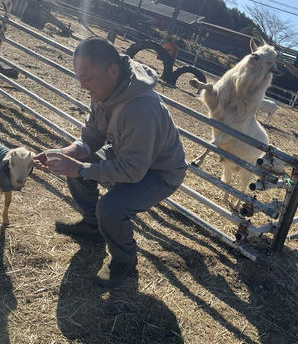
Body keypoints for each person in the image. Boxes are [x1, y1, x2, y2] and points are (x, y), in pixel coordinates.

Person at [34, 37, 187, 288]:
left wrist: (81, 168)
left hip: (159, 171)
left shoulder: (140, 108)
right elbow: (91, 137)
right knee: (78, 170)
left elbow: (133, 170)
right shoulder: (105, 89)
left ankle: (124, 261)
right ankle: (94, 226)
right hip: (126, 154)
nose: (83, 86)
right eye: (79, 77)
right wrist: (66, 153)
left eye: (88, 79)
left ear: (113, 70)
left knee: (111, 207)